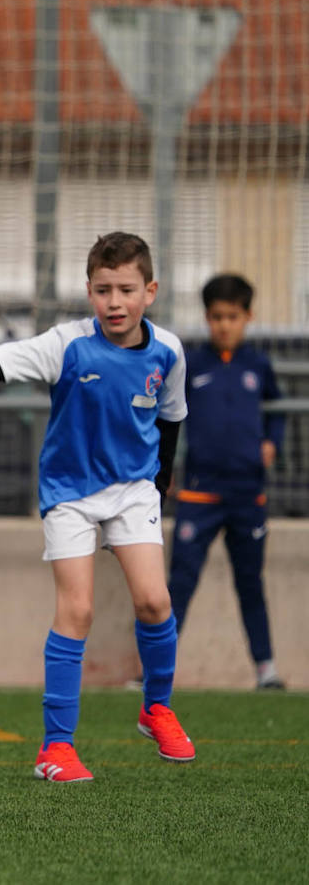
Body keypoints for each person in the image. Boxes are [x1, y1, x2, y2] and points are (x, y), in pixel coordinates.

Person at [0, 232, 195, 782]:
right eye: (103, 290)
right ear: (88, 291)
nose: (114, 302)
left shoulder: (169, 350)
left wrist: (160, 482)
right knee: (77, 610)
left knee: (154, 600)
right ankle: (56, 749)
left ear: (151, 291)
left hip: (133, 490)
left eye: (126, 290)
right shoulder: (65, 344)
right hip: (70, 493)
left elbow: (170, 419)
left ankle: (157, 707)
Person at [167, 273, 286, 690]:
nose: (224, 325)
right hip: (199, 492)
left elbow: (278, 411)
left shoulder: (259, 365)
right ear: (206, 317)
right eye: (217, 317)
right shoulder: (191, 365)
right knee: (179, 582)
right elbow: (166, 416)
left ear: (248, 317)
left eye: (233, 317)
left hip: (246, 493)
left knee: (250, 583)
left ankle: (266, 670)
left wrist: (272, 442)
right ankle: (153, 671)